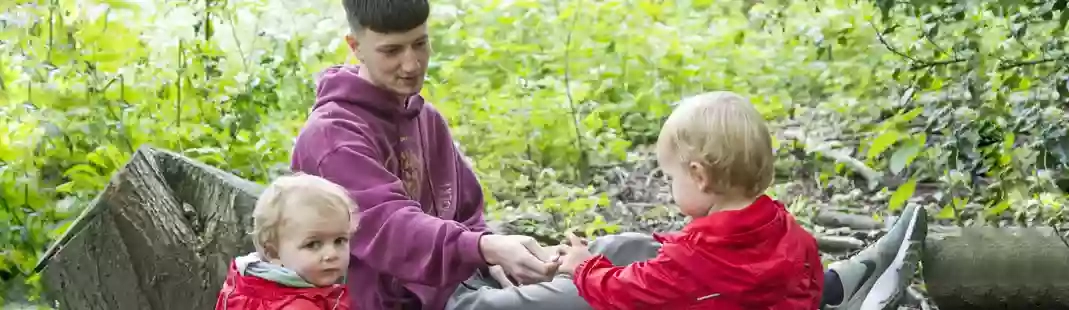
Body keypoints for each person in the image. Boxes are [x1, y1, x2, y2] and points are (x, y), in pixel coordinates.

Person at [291, 0, 929, 309]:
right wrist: (485, 255)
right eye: (392, 51)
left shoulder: (424, 117)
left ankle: (841, 277)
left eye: (420, 44)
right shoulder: (333, 136)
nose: (411, 64)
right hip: (422, 305)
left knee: (626, 249)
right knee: (608, 293)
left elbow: (469, 211)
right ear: (355, 45)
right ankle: (843, 291)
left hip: (464, 276)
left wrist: (507, 251)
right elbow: (389, 229)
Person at [215, 173, 352, 310]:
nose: (332, 254)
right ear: (273, 253)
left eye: (340, 240)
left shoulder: (244, 284)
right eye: (313, 244)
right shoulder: (299, 306)